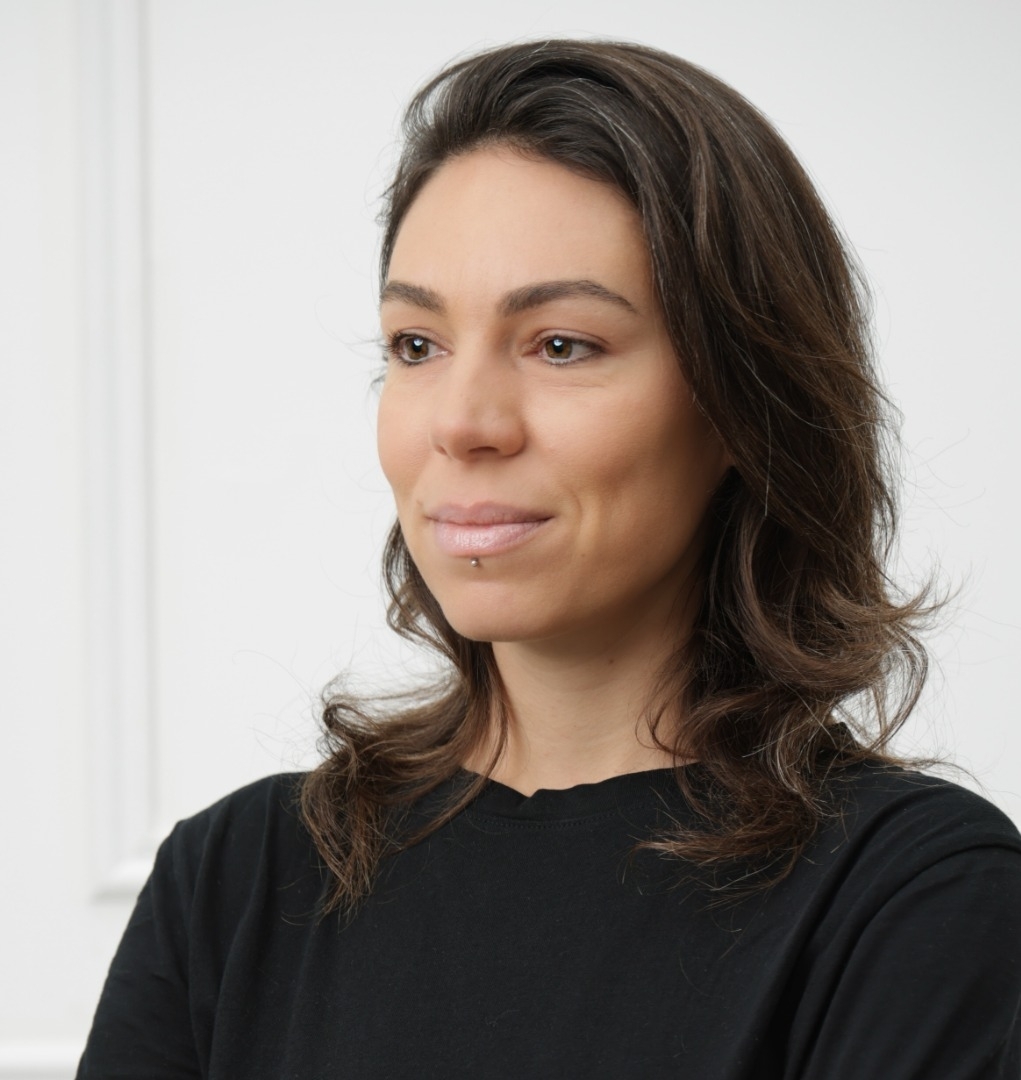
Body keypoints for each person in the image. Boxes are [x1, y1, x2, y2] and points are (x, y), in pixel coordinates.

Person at [77, 40, 1021, 1079]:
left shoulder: (915, 895)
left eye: (561, 344)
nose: (462, 423)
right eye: (417, 345)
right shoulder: (233, 882)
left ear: (741, 402)